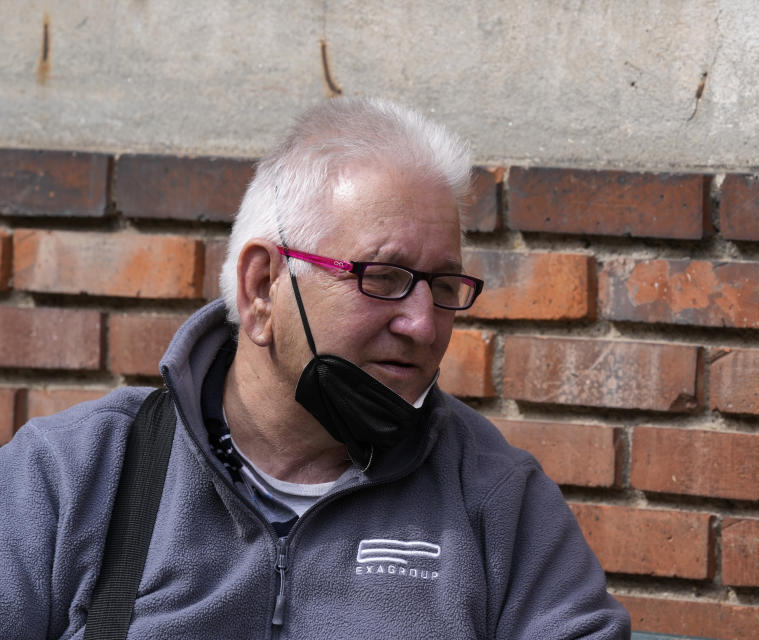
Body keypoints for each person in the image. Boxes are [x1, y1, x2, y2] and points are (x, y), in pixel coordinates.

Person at [0, 98, 631, 638]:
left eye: (441, 285)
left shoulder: (495, 498)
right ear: (263, 289)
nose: (422, 323)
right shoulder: (70, 477)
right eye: (382, 277)